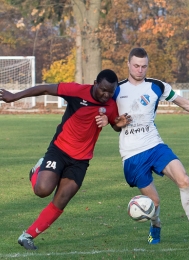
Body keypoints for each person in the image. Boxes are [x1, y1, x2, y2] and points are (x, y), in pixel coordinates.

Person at [0, 69, 131, 250]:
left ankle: (27, 235)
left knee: (62, 199)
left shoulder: (110, 104)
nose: (106, 95)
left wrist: (117, 124)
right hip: (60, 150)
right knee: (42, 190)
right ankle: (36, 171)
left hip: (81, 160)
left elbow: (114, 124)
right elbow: (46, 89)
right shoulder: (77, 91)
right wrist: (14, 96)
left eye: (110, 91)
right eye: (103, 90)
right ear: (95, 83)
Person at [113, 47, 189, 245]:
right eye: (136, 66)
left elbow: (185, 103)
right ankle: (156, 226)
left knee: (184, 180)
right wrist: (117, 123)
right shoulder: (116, 89)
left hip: (155, 145)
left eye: (144, 66)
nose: (140, 70)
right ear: (128, 64)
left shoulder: (157, 86)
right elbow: (110, 121)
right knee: (154, 202)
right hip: (132, 155)